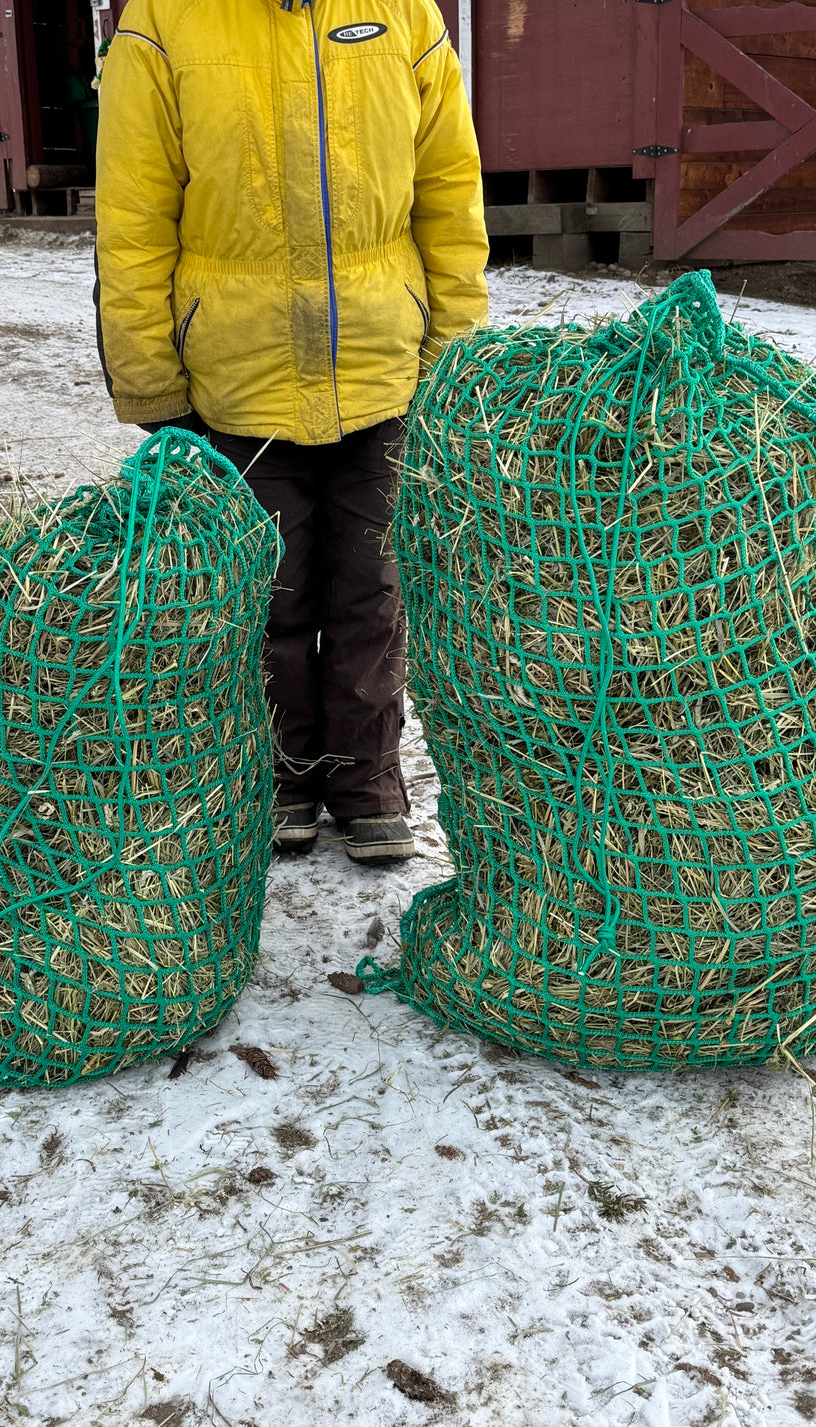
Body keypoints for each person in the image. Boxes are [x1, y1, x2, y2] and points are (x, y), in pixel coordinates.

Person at [94, 0, 488, 864]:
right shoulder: (164, 23)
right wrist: (153, 382)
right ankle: (280, 777)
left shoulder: (403, 15)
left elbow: (450, 194)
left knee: (372, 591)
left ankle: (365, 780)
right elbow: (132, 217)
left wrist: (456, 355)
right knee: (263, 597)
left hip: (386, 369)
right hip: (236, 378)